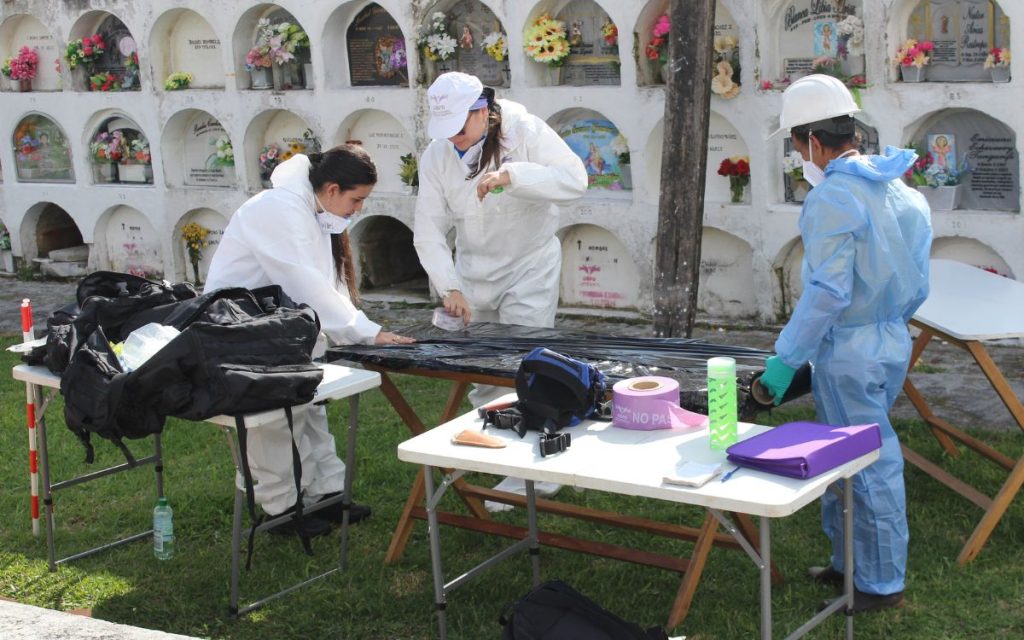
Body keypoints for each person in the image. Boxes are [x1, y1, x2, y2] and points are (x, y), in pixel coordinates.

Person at [762, 74, 932, 613]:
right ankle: (849, 565)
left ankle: (879, 586)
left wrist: (784, 361)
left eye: (795, 144)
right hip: (890, 339)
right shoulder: (902, 189)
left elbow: (827, 292)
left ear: (811, 142)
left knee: (867, 463)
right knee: (849, 456)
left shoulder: (834, 196)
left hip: (851, 348)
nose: (797, 155)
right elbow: (916, 281)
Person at [205, 144, 414, 537]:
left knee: (311, 408)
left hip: (281, 328)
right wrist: (365, 331)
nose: (358, 209)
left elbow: (326, 283)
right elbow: (303, 283)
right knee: (272, 422)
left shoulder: (312, 209)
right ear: (332, 188)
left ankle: (326, 493)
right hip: (245, 333)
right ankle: (281, 509)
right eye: (356, 199)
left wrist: (356, 330)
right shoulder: (278, 209)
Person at [413, 71, 587, 507]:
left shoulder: (524, 130)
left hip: (528, 267)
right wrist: (448, 286)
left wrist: (514, 176)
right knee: (487, 376)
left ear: (483, 111)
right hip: (472, 275)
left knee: (527, 368)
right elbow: (428, 229)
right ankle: (500, 455)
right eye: (445, 130)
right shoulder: (437, 156)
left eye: (460, 127)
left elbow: (574, 180)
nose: (453, 138)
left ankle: (536, 474)